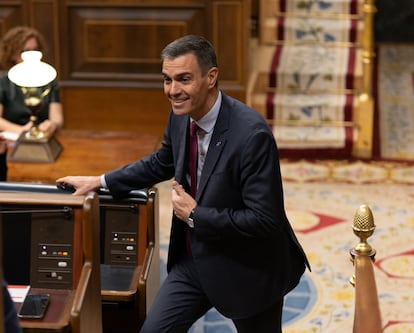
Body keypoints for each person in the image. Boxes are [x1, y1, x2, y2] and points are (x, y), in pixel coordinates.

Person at [57, 35, 310, 332]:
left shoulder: (251, 135)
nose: (173, 91)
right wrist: (100, 181)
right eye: (167, 80)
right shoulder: (181, 115)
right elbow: (161, 162)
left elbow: (265, 220)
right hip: (194, 260)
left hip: (248, 268)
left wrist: (194, 215)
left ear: (211, 77)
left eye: (184, 79)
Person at [0, 26, 63, 135]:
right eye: (26, 51)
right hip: (12, 138)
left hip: (42, 137)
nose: (32, 55)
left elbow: (57, 119)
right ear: (13, 54)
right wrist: (22, 131)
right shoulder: (3, 82)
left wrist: (51, 125)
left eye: (35, 50)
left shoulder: (48, 80)